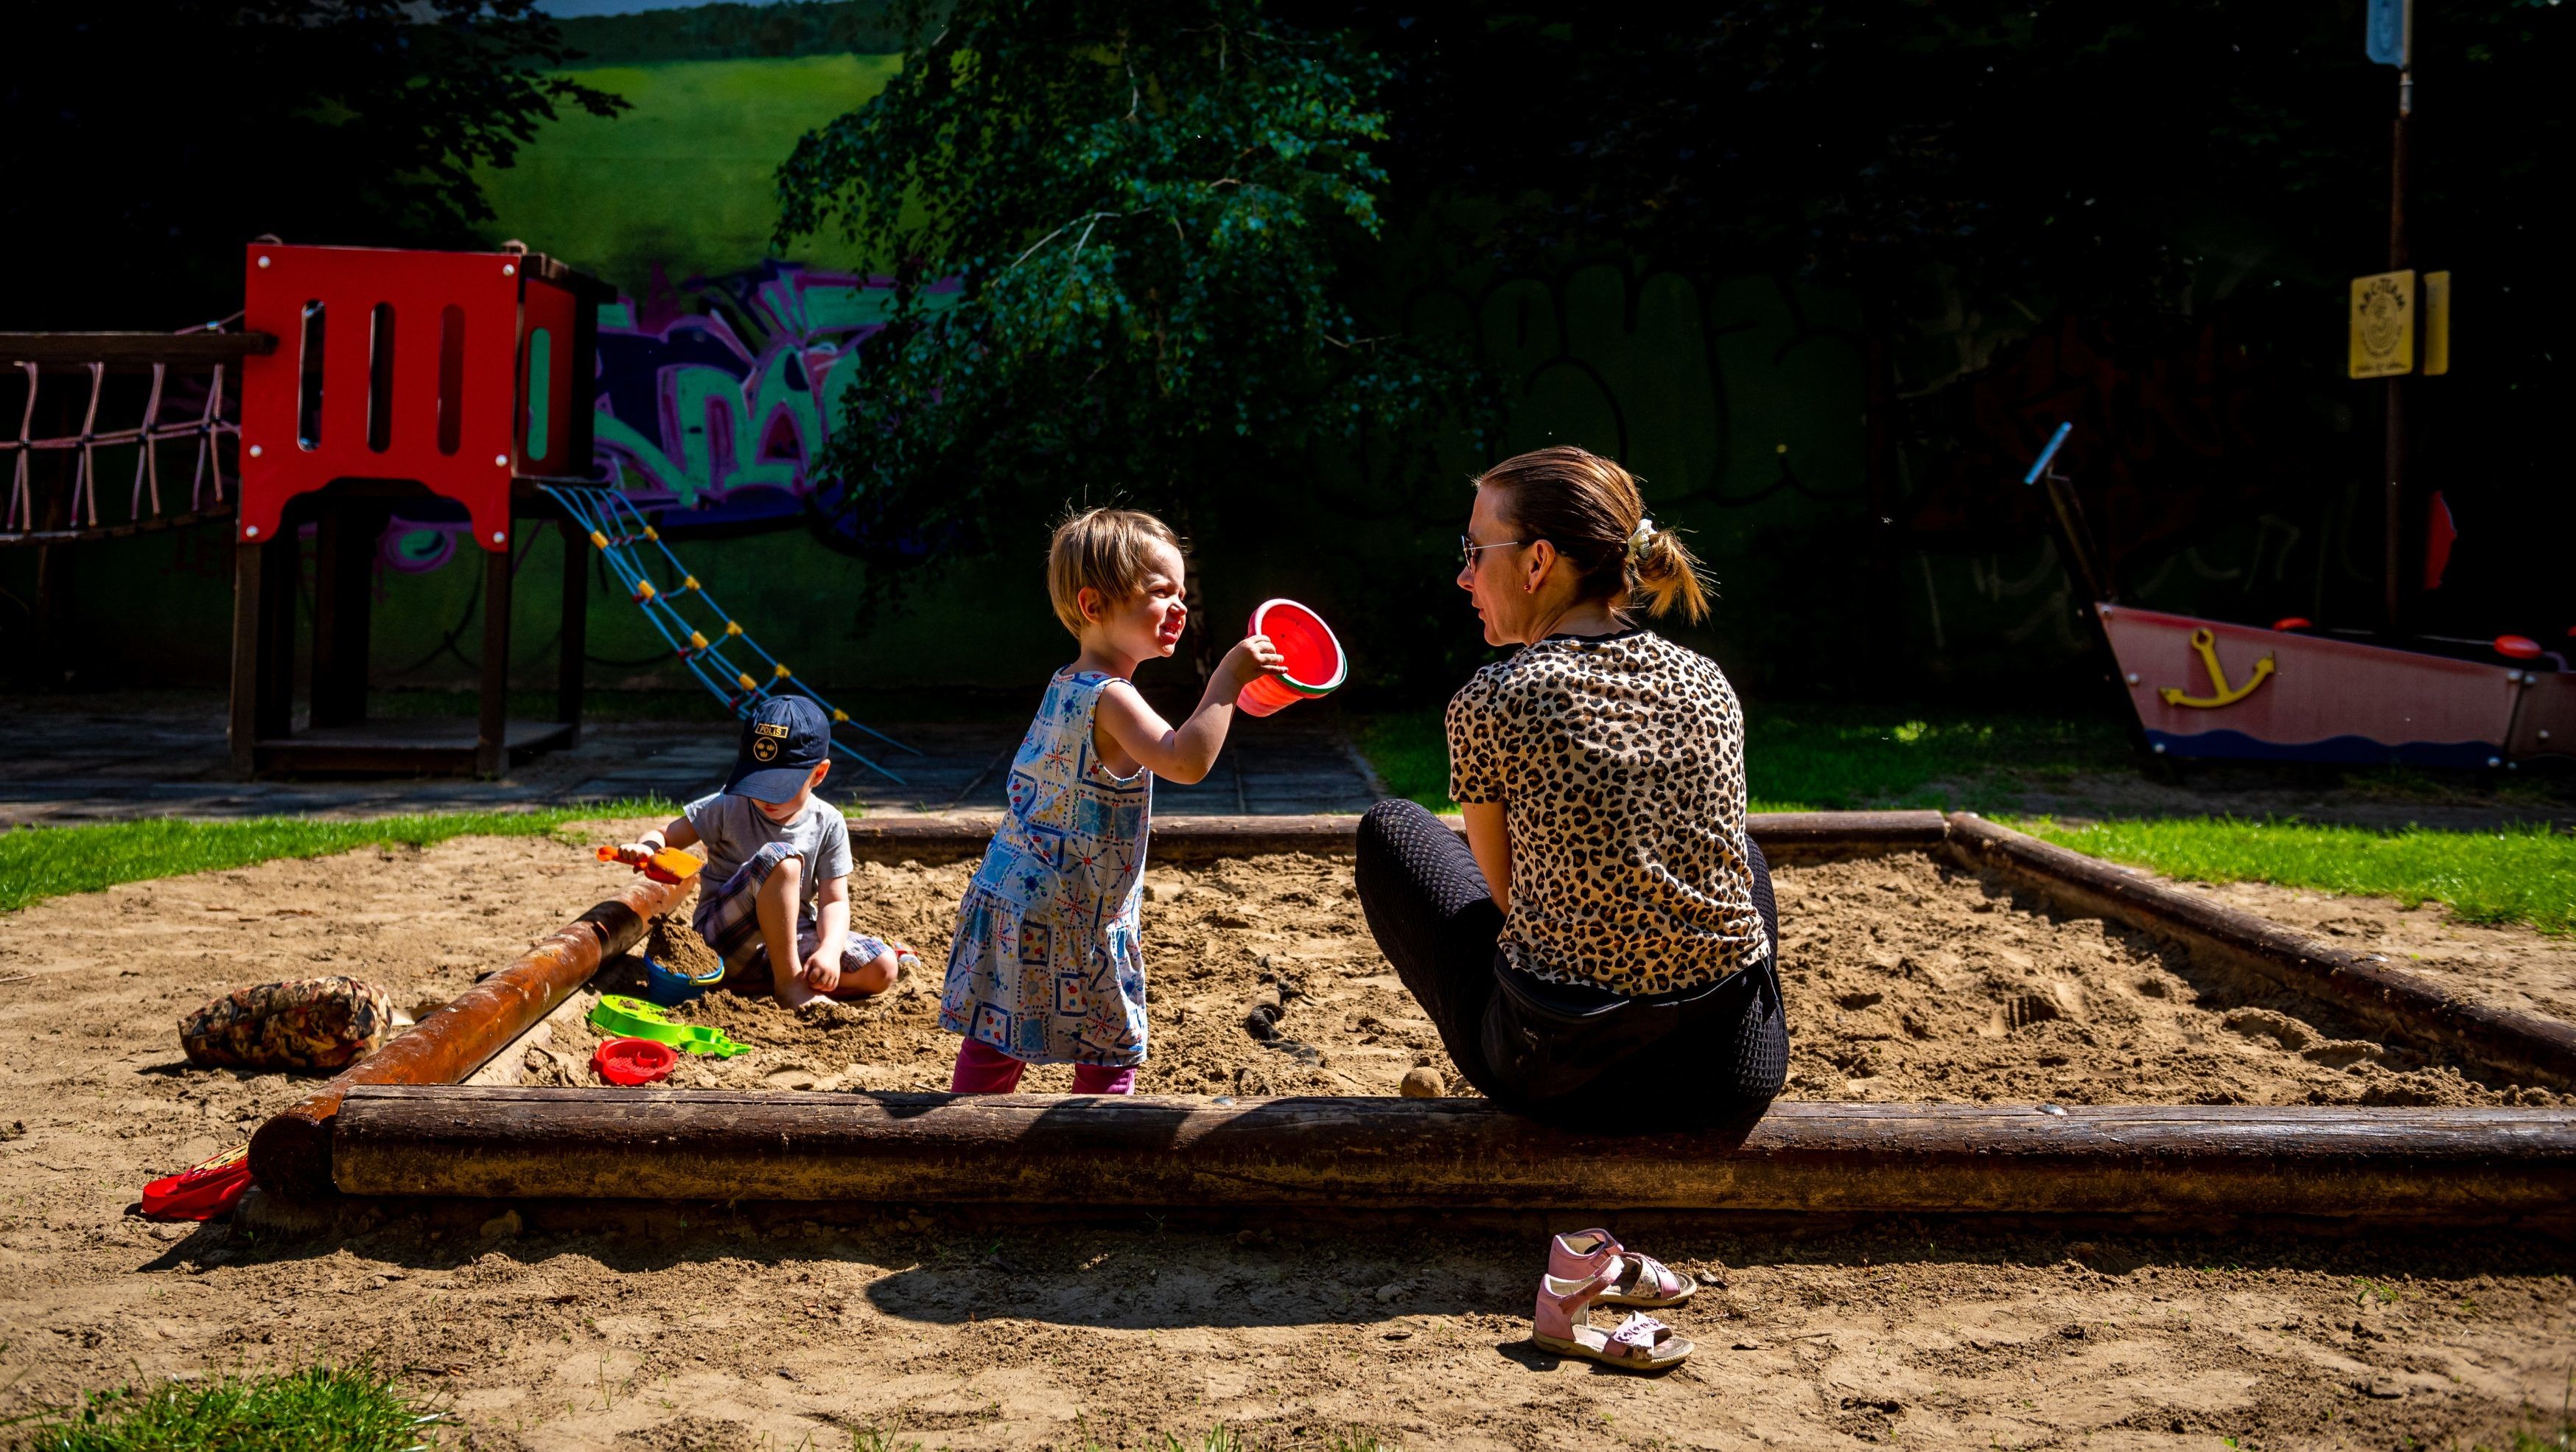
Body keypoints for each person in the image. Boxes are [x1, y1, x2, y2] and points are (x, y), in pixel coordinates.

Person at [1354, 445, 1787, 1130]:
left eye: (1473, 551)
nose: (1465, 578)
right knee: (1744, 858)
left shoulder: (1493, 699)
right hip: (1732, 1072)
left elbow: (1506, 901)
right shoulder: (1708, 682)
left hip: (1567, 1076)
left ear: (1537, 562)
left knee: (1395, 830)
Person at [939, 507, 1287, 1095]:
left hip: (1013, 895)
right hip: (1071, 913)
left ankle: (966, 1141)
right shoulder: (1113, 698)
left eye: (1181, 591)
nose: (1178, 606)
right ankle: (1101, 1153)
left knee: (996, 1041)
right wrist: (1226, 681)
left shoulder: (1065, 682)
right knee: (1109, 1049)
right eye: (1159, 592)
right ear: (1095, 606)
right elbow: (1187, 759)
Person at [615, 695, 903, 1008]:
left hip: (786, 942)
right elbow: (666, 834)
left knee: (883, 968)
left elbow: (834, 900)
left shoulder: (829, 822)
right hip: (722, 942)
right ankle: (790, 985)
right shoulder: (729, 804)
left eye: (779, 786)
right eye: (757, 781)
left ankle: (771, 981)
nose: (766, 797)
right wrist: (646, 847)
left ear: (818, 774)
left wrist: (830, 952)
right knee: (782, 859)